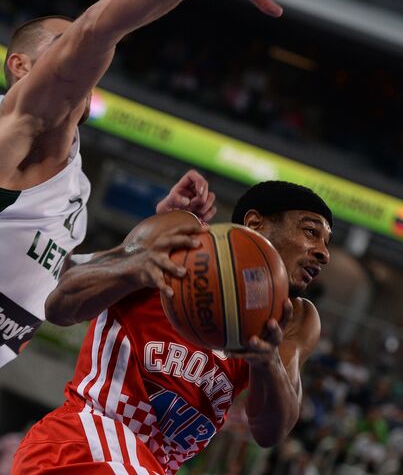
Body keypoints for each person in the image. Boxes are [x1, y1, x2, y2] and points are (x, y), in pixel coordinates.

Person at [0, 0, 282, 367]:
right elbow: (97, 29)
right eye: (63, 43)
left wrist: (149, 234)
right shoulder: (17, 128)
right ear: (20, 66)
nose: (79, 55)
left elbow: (57, 291)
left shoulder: (72, 183)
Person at [13, 180, 333, 474]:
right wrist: (130, 270)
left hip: (151, 466)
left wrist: (267, 361)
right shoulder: (187, 238)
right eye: (310, 231)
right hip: (85, 442)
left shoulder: (296, 319)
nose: (324, 252)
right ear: (254, 223)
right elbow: (59, 305)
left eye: (326, 241)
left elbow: (271, 431)